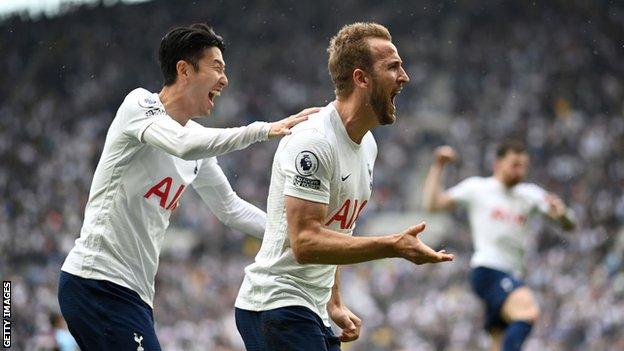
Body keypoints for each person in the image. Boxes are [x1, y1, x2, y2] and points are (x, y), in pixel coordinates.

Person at [57, 23, 317, 351]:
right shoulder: (139, 106)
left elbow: (230, 207)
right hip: (96, 281)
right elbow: (181, 144)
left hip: (134, 293)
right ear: (184, 70)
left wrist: (290, 234)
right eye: (217, 67)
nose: (225, 79)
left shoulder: (197, 146)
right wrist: (263, 130)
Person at [234, 22, 454, 351]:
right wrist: (393, 245)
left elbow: (336, 229)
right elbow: (306, 241)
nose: (404, 77)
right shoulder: (314, 142)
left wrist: (334, 301)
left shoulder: (368, 146)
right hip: (275, 303)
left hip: (311, 309)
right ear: (361, 78)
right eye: (393, 66)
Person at [422, 142, 576, 351]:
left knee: (500, 342)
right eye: (514, 164)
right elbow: (433, 204)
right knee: (527, 311)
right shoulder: (478, 188)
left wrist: (562, 215)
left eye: (523, 166)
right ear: (497, 164)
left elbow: (569, 224)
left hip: (512, 273)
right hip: (488, 270)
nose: (519, 171)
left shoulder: (529, 194)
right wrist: (438, 166)